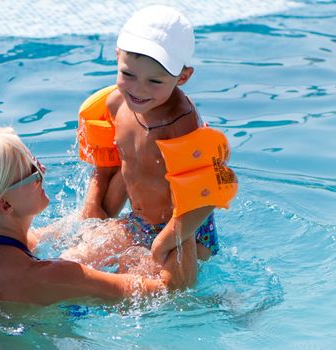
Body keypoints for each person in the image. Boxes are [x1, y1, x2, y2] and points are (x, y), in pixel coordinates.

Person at [77, 6, 238, 288]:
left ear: (183, 77)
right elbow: (126, 167)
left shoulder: (181, 127)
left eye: (154, 81)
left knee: (168, 297)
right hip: (140, 222)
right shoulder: (116, 104)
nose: (138, 90)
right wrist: (96, 217)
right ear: (117, 57)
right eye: (128, 74)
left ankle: (223, 303)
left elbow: (206, 197)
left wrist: (163, 246)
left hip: (185, 231)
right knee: (73, 262)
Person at [0, 127, 167, 306]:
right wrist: (186, 213)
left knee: (111, 236)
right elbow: (168, 291)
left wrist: (105, 171)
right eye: (32, 169)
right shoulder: (51, 277)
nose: (42, 169)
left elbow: (80, 225)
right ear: (4, 203)